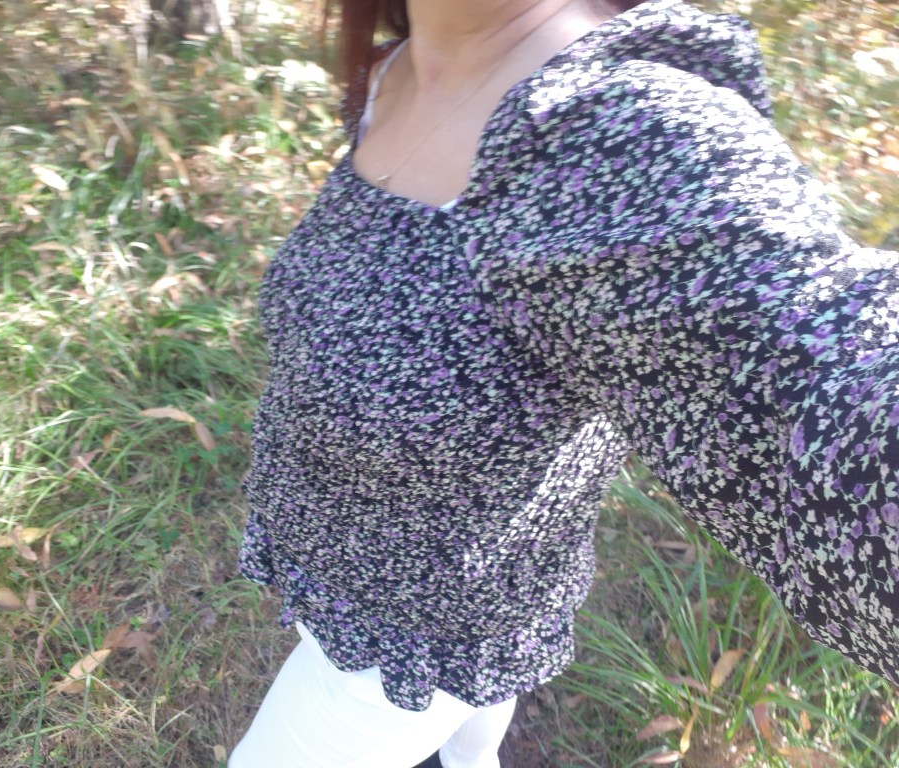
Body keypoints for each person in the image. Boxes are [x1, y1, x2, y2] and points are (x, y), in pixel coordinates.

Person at [228, 0, 899, 765]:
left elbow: (817, 364)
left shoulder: (621, 126)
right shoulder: (396, 70)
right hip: (408, 565)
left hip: (408, 640)